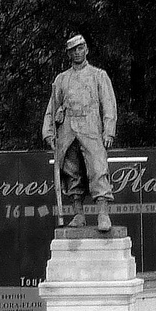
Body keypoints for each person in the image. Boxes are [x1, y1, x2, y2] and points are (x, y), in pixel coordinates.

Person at [41, 33, 118, 231]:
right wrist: (48, 131)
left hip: (91, 127)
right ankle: (78, 214)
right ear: (68, 54)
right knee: (71, 171)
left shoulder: (98, 75)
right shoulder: (61, 79)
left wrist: (109, 130)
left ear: (86, 49)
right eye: (73, 50)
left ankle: (103, 213)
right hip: (67, 130)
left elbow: (109, 104)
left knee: (97, 168)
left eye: (80, 48)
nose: (77, 53)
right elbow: (52, 106)